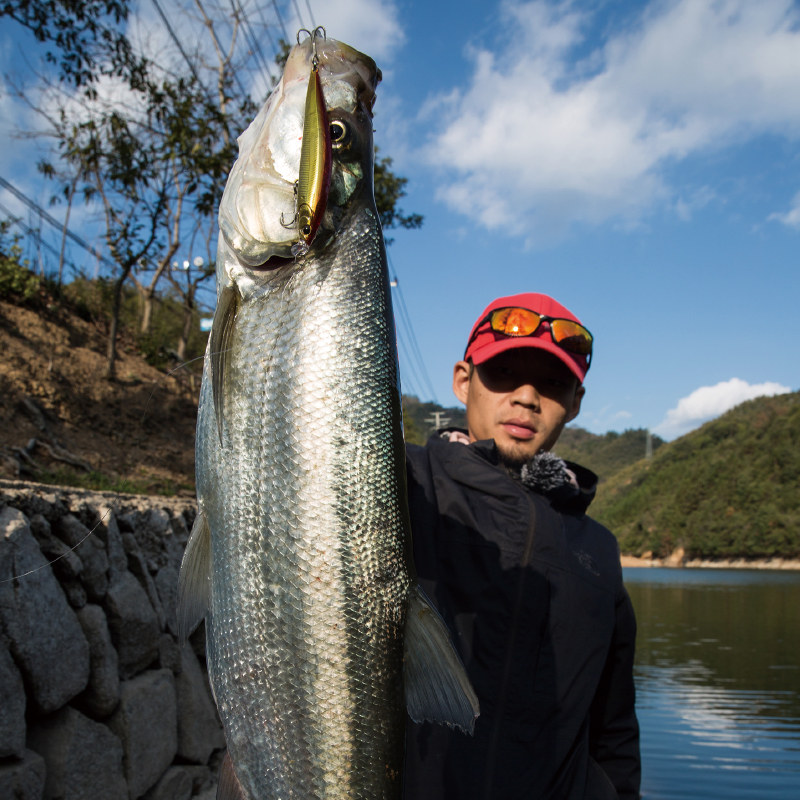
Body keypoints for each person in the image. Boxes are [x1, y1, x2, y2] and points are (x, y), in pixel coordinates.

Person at [403, 292, 641, 800]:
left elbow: (613, 730)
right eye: (506, 372)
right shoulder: (403, 484)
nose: (527, 398)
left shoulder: (597, 548)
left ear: (574, 404)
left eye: (553, 383)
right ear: (463, 382)